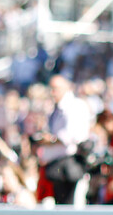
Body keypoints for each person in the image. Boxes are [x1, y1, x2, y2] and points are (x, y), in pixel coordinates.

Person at [35, 74, 93, 205]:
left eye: (55, 88)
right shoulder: (56, 108)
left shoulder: (74, 106)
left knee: (69, 206)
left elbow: (68, 137)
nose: (52, 92)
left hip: (69, 165)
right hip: (58, 167)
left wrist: (49, 140)